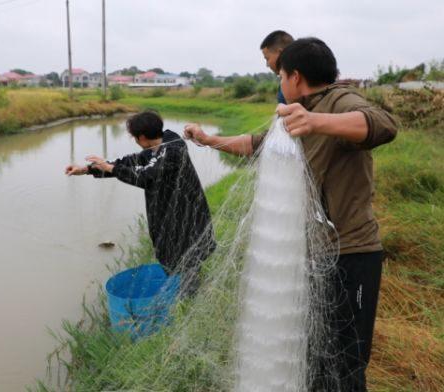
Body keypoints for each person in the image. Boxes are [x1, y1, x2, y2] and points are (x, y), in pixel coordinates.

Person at [184, 37, 397, 391]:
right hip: (315, 255)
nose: (279, 84)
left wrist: (316, 121)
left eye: (280, 75)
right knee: (315, 356)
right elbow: (256, 144)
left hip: (351, 256)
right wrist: (209, 140)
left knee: (345, 363)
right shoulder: (296, 113)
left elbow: (382, 124)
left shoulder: (339, 101)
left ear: (295, 76)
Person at [65, 111, 216, 295]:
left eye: (134, 137)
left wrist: (111, 168)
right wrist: (86, 169)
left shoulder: (173, 150)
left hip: (186, 216)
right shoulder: (158, 147)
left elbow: (145, 177)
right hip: (169, 217)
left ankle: (189, 301)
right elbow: (129, 162)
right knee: (174, 260)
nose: (135, 140)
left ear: (142, 137)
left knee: (188, 259)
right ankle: (183, 296)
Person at [260, 30, 294, 103]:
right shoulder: (286, 78)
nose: (267, 65)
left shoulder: (294, 82)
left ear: (281, 53)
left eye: (267, 58)